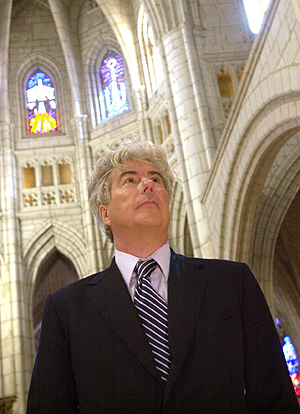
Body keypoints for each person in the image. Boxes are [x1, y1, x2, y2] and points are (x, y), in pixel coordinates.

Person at [26, 136, 300, 413]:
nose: (148, 184)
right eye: (130, 180)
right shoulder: (66, 310)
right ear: (105, 212)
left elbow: (275, 395)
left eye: (156, 179)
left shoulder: (231, 282)